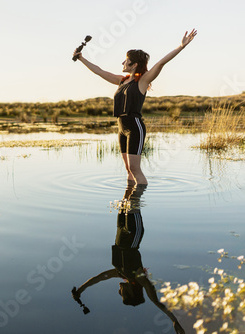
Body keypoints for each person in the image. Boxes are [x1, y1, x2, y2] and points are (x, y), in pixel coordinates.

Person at [73, 29, 197, 185]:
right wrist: (81, 58)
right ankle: (127, 205)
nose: (123, 63)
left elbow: (160, 63)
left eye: (126, 61)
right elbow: (99, 71)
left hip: (135, 127)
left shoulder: (143, 81)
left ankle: (137, 204)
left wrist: (181, 46)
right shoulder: (121, 80)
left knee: (135, 169)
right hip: (121, 127)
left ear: (134, 65)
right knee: (128, 169)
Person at [71, 185, 185, 334]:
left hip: (121, 229)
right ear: (131, 292)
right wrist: (174, 320)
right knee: (134, 198)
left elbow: (97, 278)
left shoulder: (119, 272)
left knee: (126, 196)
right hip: (133, 233)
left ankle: (133, 176)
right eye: (122, 294)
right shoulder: (140, 278)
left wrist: (80, 290)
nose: (119, 292)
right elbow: (157, 302)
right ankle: (141, 181)